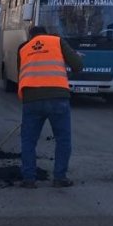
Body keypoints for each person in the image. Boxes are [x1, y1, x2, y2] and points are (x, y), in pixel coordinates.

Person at [17, 26, 83, 189]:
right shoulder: (57, 41)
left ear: (31, 36)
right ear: (46, 34)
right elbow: (78, 65)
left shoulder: (24, 48)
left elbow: (22, 71)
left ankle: (29, 179)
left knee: (28, 141)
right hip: (57, 97)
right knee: (62, 140)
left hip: (32, 99)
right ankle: (59, 178)